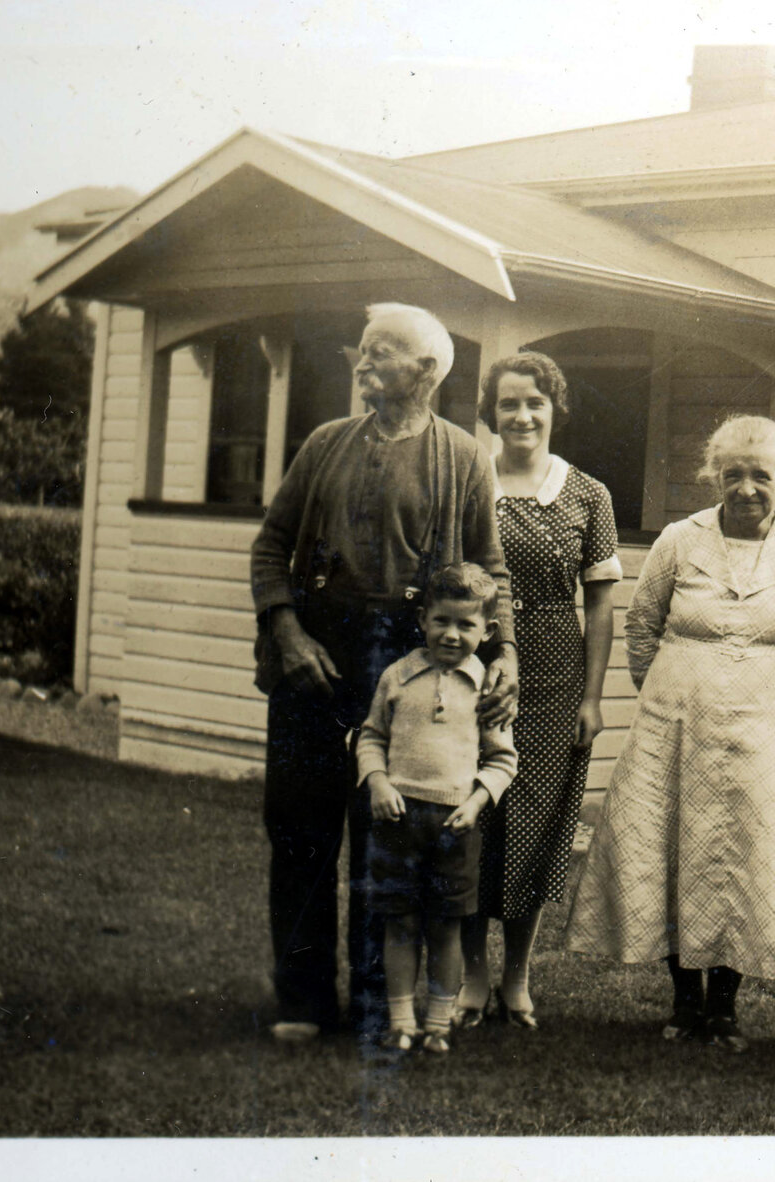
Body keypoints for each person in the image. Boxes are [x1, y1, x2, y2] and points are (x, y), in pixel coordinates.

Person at [250, 302, 519, 1043]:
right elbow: (271, 547)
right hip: (315, 656)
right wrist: (287, 627)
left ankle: (380, 1005)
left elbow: (488, 566)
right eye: (360, 350)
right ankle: (303, 1000)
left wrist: (505, 654)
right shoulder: (324, 443)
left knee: (389, 829)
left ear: (426, 371)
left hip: (404, 658)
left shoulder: (463, 456)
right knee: (302, 829)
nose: (360, 363)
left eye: (380, 352)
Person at [566, 414, 775, 1052]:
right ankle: (685, 1002)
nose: (746, 487)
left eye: (760, 475)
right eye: (732, 474)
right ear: (714, 476)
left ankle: (724, 1007)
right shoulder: (679, 542)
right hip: (676, 727)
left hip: (766, 734)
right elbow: (642, 628)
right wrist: (676, 690)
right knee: (670, 849)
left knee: (746, 855)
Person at [455, 352, 621, 1031]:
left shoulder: (587, 494)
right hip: (472, 664)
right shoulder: (468, 485)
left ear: (554, 410)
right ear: (489, 414)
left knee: (531, 823)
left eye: (534, 404)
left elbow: (603, 605)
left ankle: (517, 977)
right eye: (507, 405)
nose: (521, 416)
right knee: (467, 818)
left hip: (555, 675)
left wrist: (590, 697)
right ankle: (470, 977)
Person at [357, 563, 519, 1054]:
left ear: (487, 631)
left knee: (447, 927)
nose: (452, 635)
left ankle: (439, 1024)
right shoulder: (398, 676)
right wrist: (379, 782)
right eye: (442, 621)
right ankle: (402, 1021)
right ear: (423, 619)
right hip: (398, 822)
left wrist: (475, 803)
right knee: (400, 923)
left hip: (455, 826)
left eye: (466, 625)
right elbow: (370, 736)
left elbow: (503, 760)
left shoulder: (485, 688)